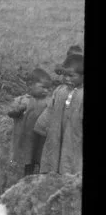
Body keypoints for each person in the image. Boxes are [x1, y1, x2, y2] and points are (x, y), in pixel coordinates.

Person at [34, 44, 83, 176]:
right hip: (56, 132)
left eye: (71, 76)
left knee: (72, 160)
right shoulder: (60, 91)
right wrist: (42, 126)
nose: (66, 79)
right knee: (54, 157)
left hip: (75, 135)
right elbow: (50, 109)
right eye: (64, 75)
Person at [5, 67, 53, 177]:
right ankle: (28, 176)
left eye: (48, 88)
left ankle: (42, 176)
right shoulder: (22, 100)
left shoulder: (48, 101)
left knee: (41, 155)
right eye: (43, 87)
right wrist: (18, 110)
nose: (46, 91)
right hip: (26, 136)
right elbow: (10, 113)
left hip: (42, 136)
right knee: (28, 156)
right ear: (30, 85)